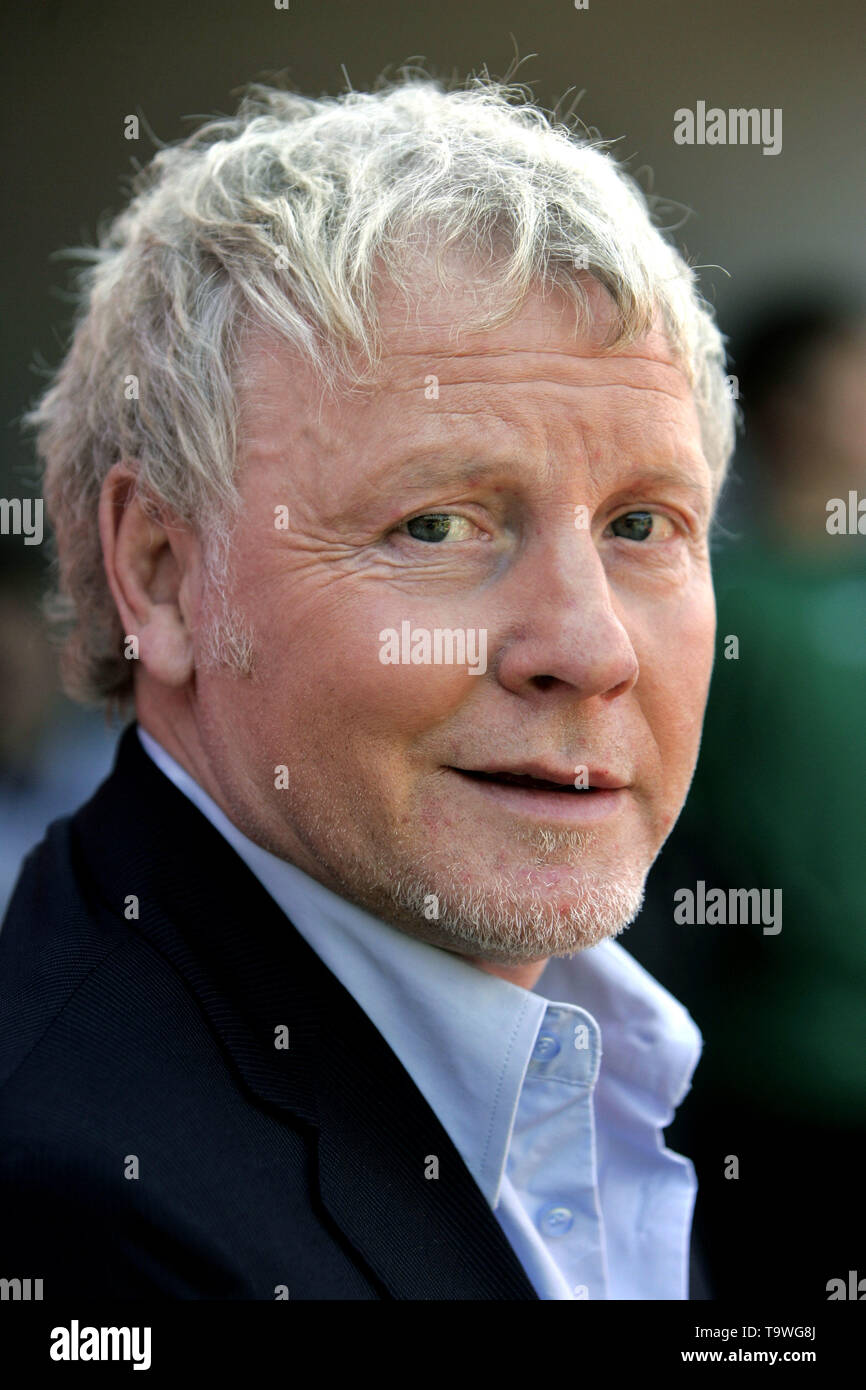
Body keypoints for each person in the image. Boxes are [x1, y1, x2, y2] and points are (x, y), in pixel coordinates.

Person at [0, 75, 735, 1300]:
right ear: (166, 577)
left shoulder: (582, 1043)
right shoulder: (77, 1214)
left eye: (643, 524)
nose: (589, 647)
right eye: (438, 524)